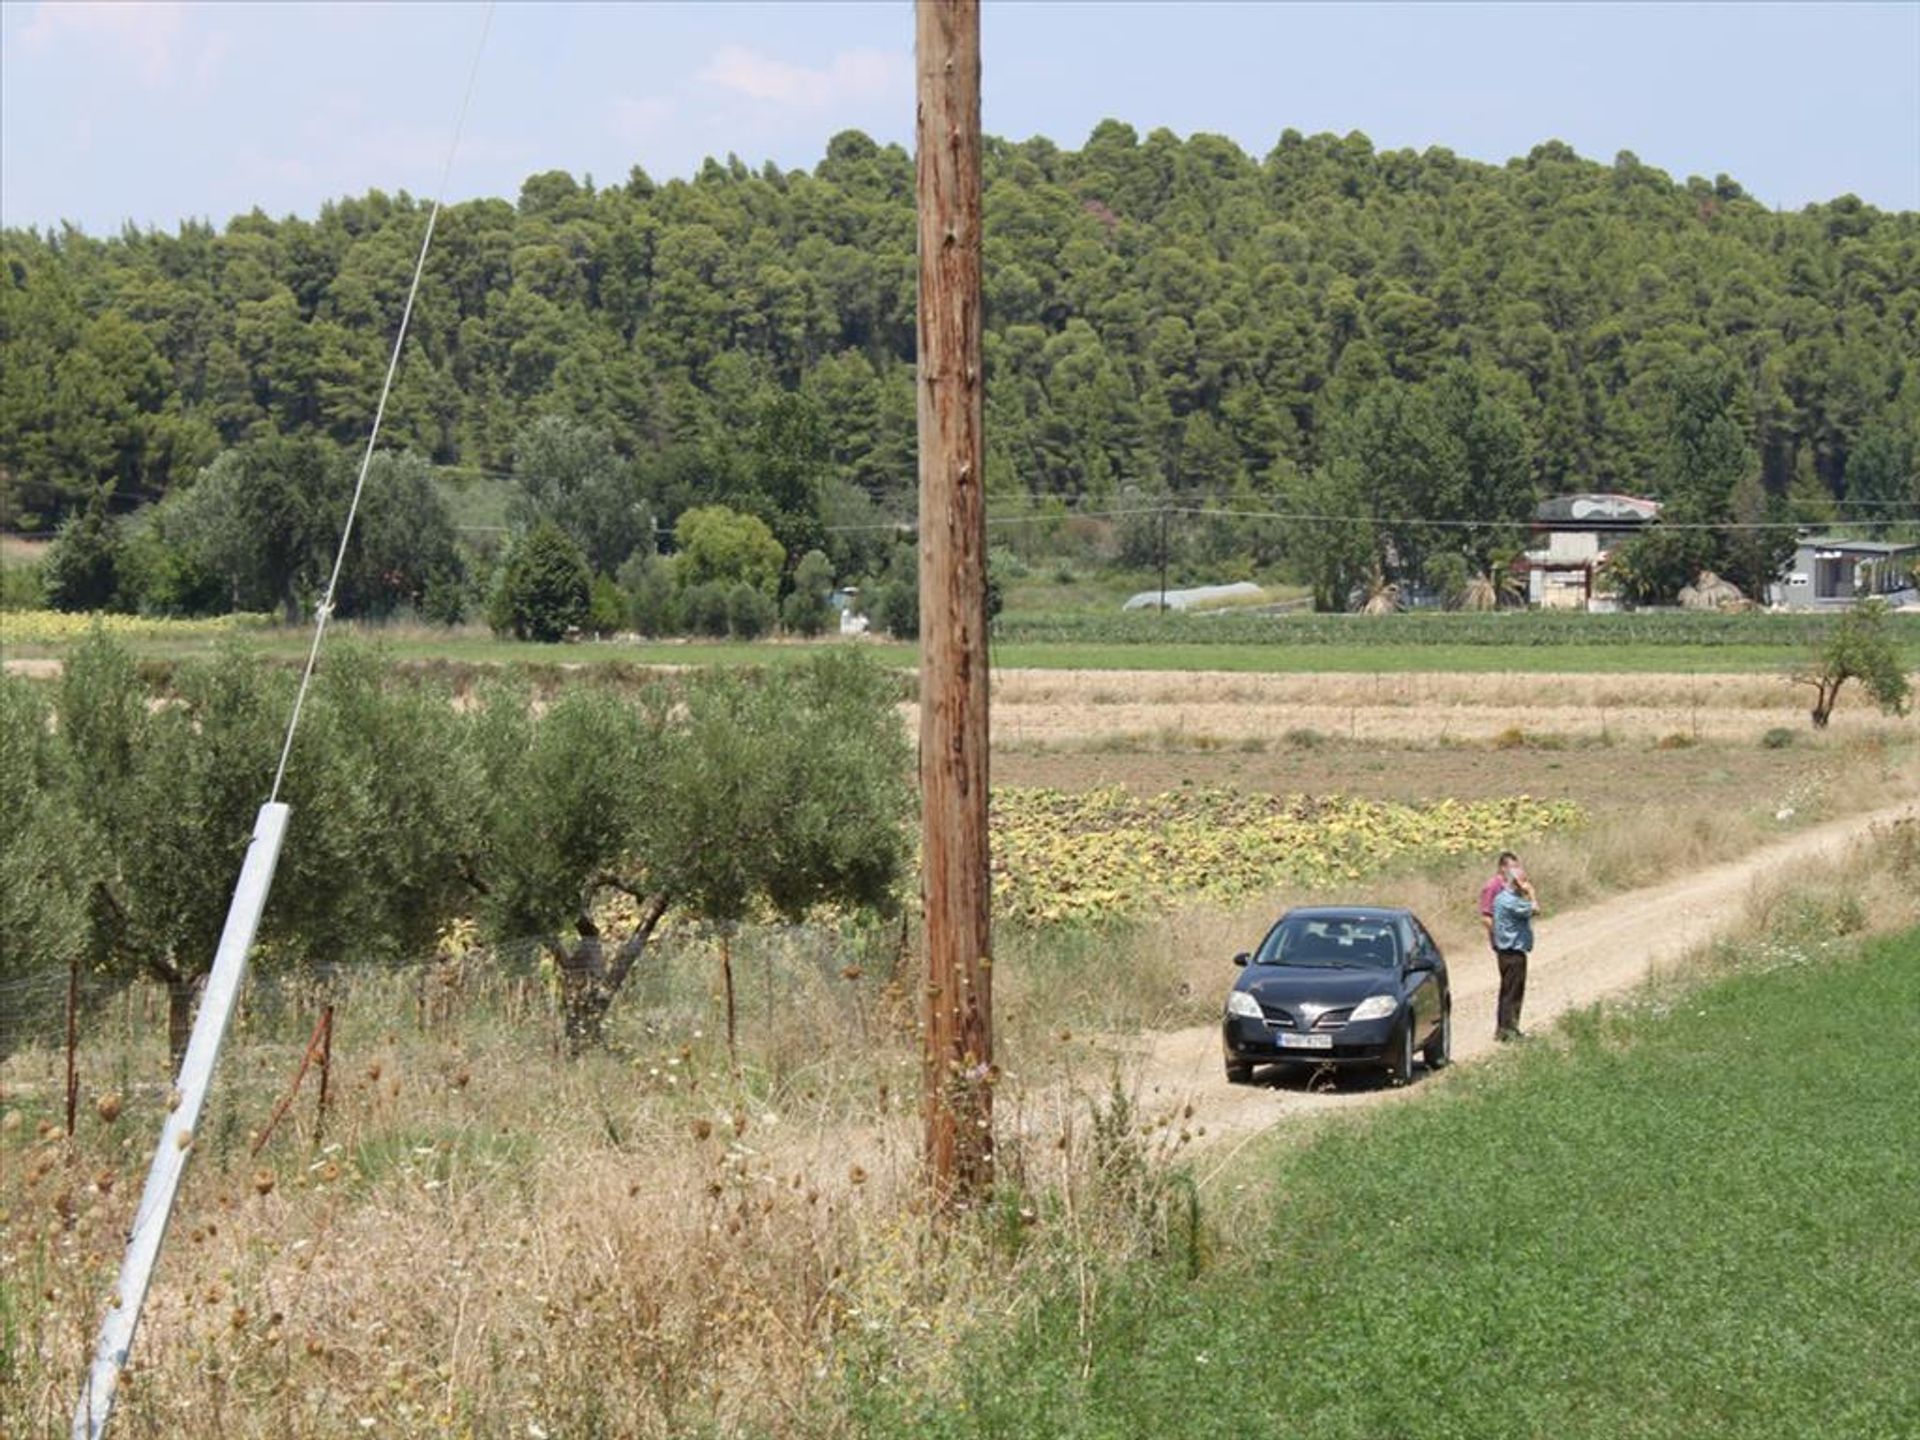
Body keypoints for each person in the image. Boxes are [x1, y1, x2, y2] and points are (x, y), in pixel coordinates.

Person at [1490, 865, 1539, 1042]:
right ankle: (1510, 1030)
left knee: (1506, 991)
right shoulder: (1511, 901)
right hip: (1513, 952)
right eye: (1523, 880)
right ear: (1516, 882)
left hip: (1504, 952)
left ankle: (1503, 1029)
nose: (1526, 883)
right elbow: (1535, 909)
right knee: (1514, 992)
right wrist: (1531, 893)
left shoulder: (1500, 898)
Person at [1479, 851, 1518, 950]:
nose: (1516, 871)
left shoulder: (1512, 884)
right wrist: (1501, 935)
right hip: (1503, 942)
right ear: (1502, 868)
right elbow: (1486, 917)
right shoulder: (1492, 886)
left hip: (1515, 938)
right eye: (1513, 867)